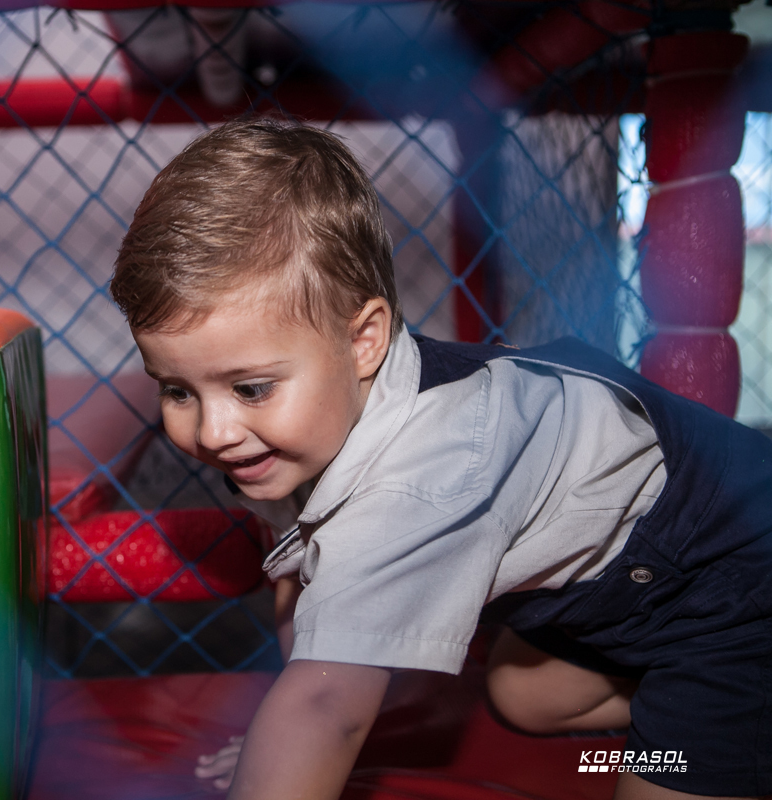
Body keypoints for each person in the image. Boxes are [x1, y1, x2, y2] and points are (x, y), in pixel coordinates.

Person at [108, 117, 772, 800]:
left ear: (364, 341)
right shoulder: (292, 431)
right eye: (177, 390)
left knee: (661, 773)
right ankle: (696, 724)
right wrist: (283, 739)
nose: (213, 431)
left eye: (250, 388)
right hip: (627, 589)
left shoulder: (425, 474)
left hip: (734, 574)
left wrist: (302, 731)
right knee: (520, 694)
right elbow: (303, 601)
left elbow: (325, 705)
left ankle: (712, 731)